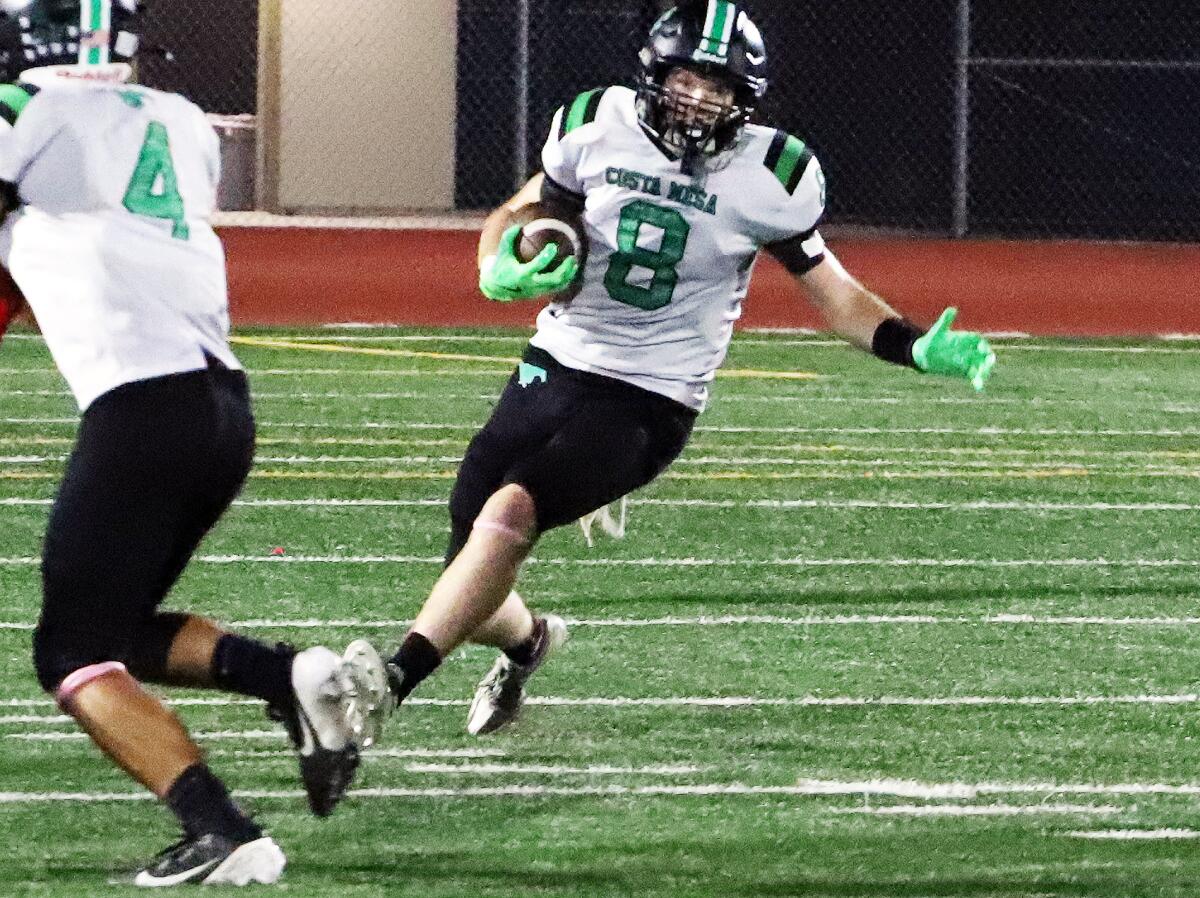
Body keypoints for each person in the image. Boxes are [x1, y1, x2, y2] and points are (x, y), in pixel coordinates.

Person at [342, 0, 995, 742]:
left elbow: (836, 296)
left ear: (745, 101)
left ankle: (391, 683)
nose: (699, 102)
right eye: (688, 81)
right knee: (472, 567)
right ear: (656, 75)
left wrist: (910, 344)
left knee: (511, 514)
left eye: (719, 90)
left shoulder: (774, 173)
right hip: (557, 356)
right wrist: (497, 260)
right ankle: (529, 644)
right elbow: (519, 213)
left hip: (653, 395)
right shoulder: (596, 121)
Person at [0, 0, 368, 886]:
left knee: (70, 652)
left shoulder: (21, 112)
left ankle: (222, 829)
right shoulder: (177, 119)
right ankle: (289, 678)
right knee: (118, 625)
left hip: (139, 408)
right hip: (221, 408)